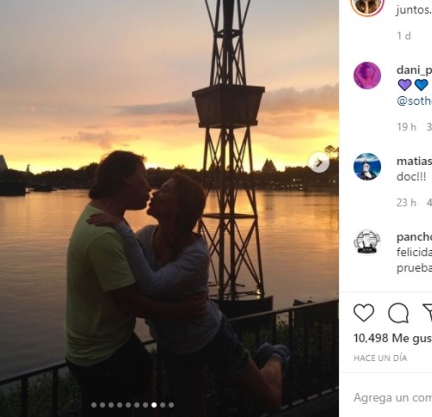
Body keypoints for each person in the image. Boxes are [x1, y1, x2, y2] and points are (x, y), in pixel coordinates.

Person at [87, 172, 290, 416]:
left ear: (178, 209)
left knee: (270, 401)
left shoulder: (196, 254)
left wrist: (121, 227)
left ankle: (276, 356)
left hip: (210, 337)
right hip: (173, 346)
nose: (154, 193)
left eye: (164, 190)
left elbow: (151, 286)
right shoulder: (145, 237)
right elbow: (131, 277)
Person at [65, 151, 207, 417]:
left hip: (113, 343)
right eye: (145, 176)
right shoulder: (102, 234)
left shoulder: (108, 219)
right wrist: (180, 310)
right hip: (102, 356)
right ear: (126, 179)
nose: (150, 186)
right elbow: (131, 303)